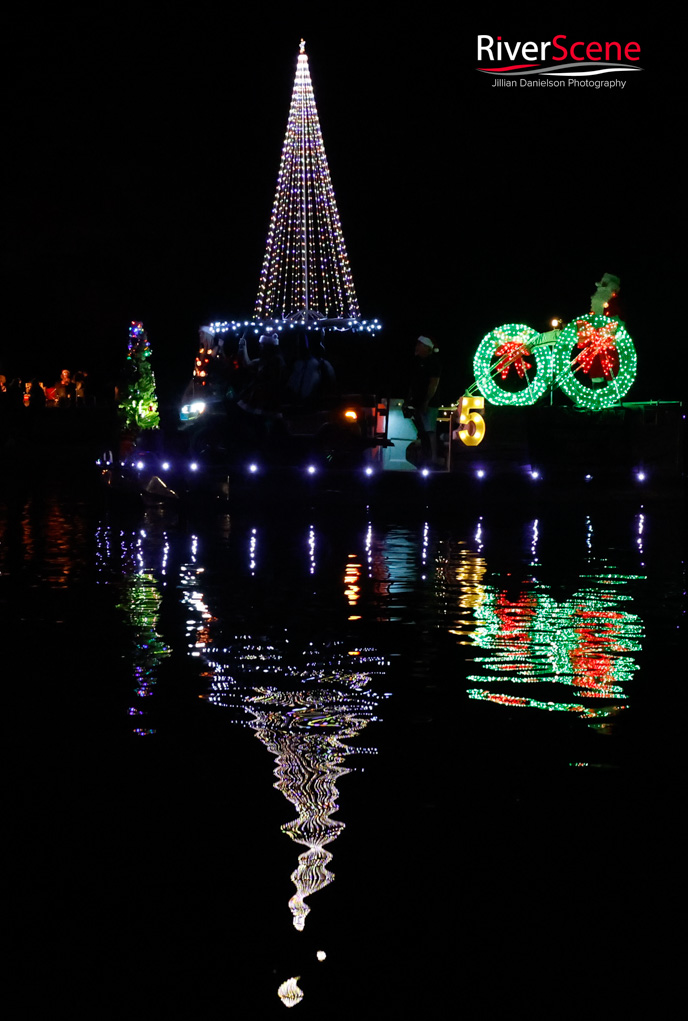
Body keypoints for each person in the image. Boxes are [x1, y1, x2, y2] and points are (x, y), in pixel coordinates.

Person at [405, 335, 441, 467]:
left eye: (419, 345)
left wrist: (426, 401)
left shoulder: (433, 362)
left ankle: (433, 458)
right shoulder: (418, 362)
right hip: (418, 402)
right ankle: (423, 456)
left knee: (430, 430)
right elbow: (413, 384)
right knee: (421, 430)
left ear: (426, 347)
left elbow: (433, 384)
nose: (417, 347)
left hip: (429, 403)